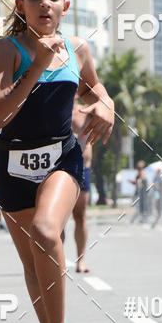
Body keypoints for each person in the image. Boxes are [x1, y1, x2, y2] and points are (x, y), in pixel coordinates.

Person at [0, 0, 114, 323]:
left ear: (65, 6)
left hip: (62, 158)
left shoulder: (77, 48)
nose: (45, 3)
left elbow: (96, 90)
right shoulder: (5, 50)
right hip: (13, 166)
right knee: (33, 263)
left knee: (45, 231)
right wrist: (38, 64)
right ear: (21, 5)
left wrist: (107, 108)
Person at [71, 101, 92, 271]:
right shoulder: (56, 106)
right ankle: (58, 260)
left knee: (81, 216)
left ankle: (80, 260)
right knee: (58, 220)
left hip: (83, 167)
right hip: (59, 166)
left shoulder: (86, 110)